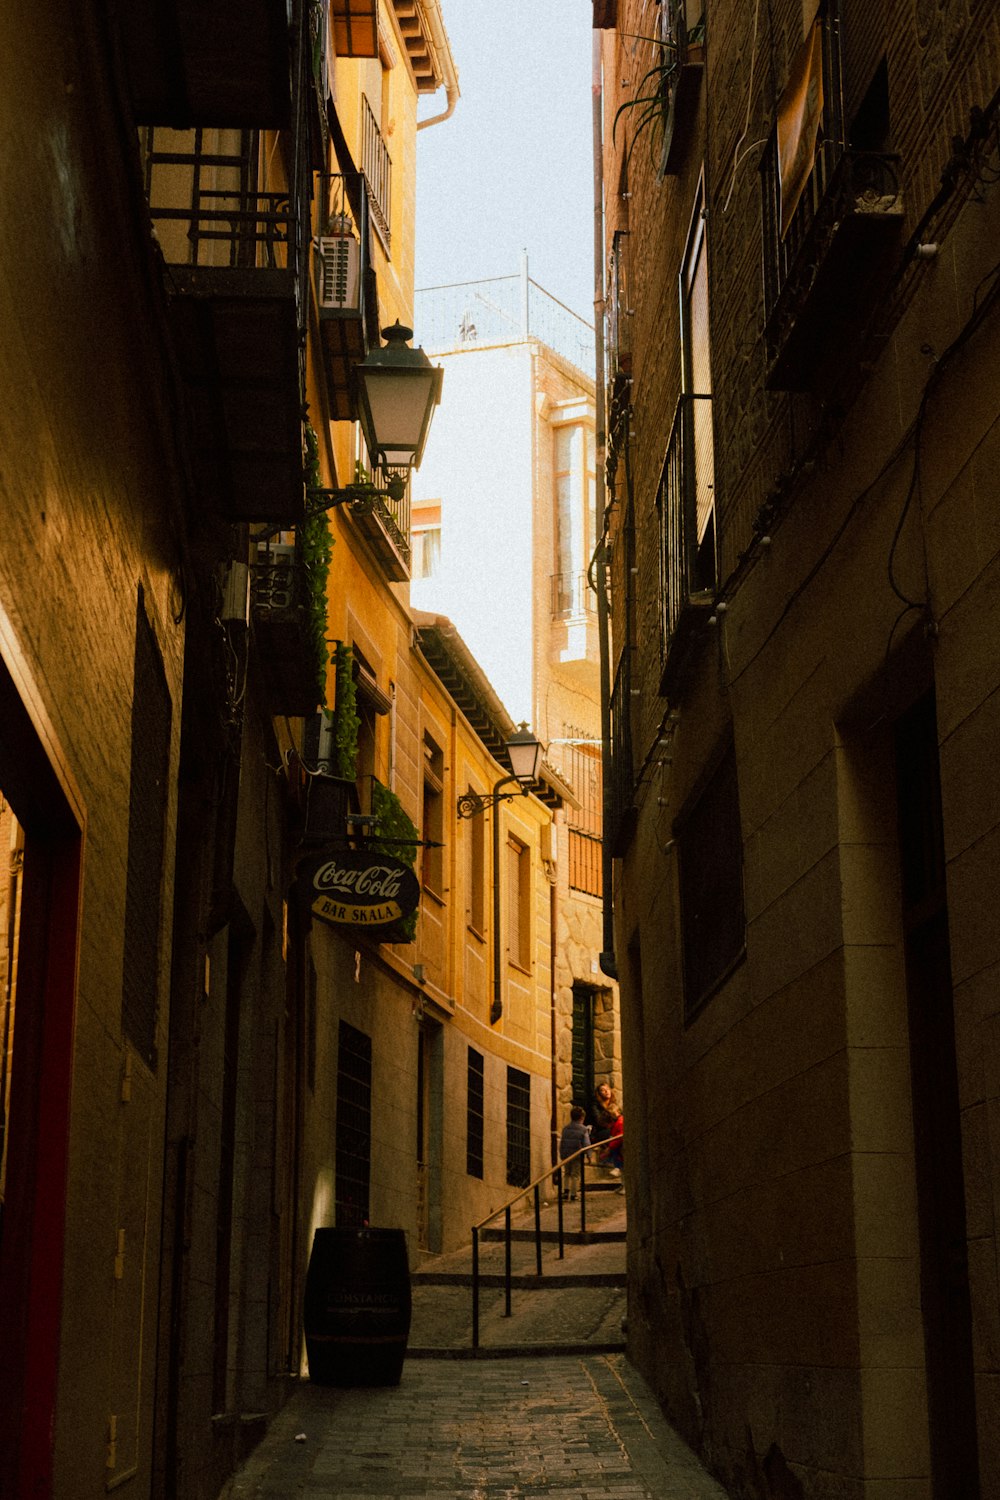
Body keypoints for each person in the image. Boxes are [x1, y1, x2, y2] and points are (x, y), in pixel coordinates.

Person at [558, 1106, 591, 1201]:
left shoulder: (565, 1129)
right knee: (575, 1175)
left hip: (566, 1154)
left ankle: (566, 1191)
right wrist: (589, 1156)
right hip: (577, 1155)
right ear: (582, 1118)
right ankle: (573, 1194)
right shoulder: (584, 1130)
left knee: (567, 1173)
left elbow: (562, 1142)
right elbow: (586, 1144)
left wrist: (562, 1154)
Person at [599, 1106, 624, 1183]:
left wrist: (609, 1148)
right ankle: (622, 1185)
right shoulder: (616, 1124)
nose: (607, 1127)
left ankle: (618, 1167)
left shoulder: (620, 1123)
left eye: (606, 1125)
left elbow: (619, 1137)